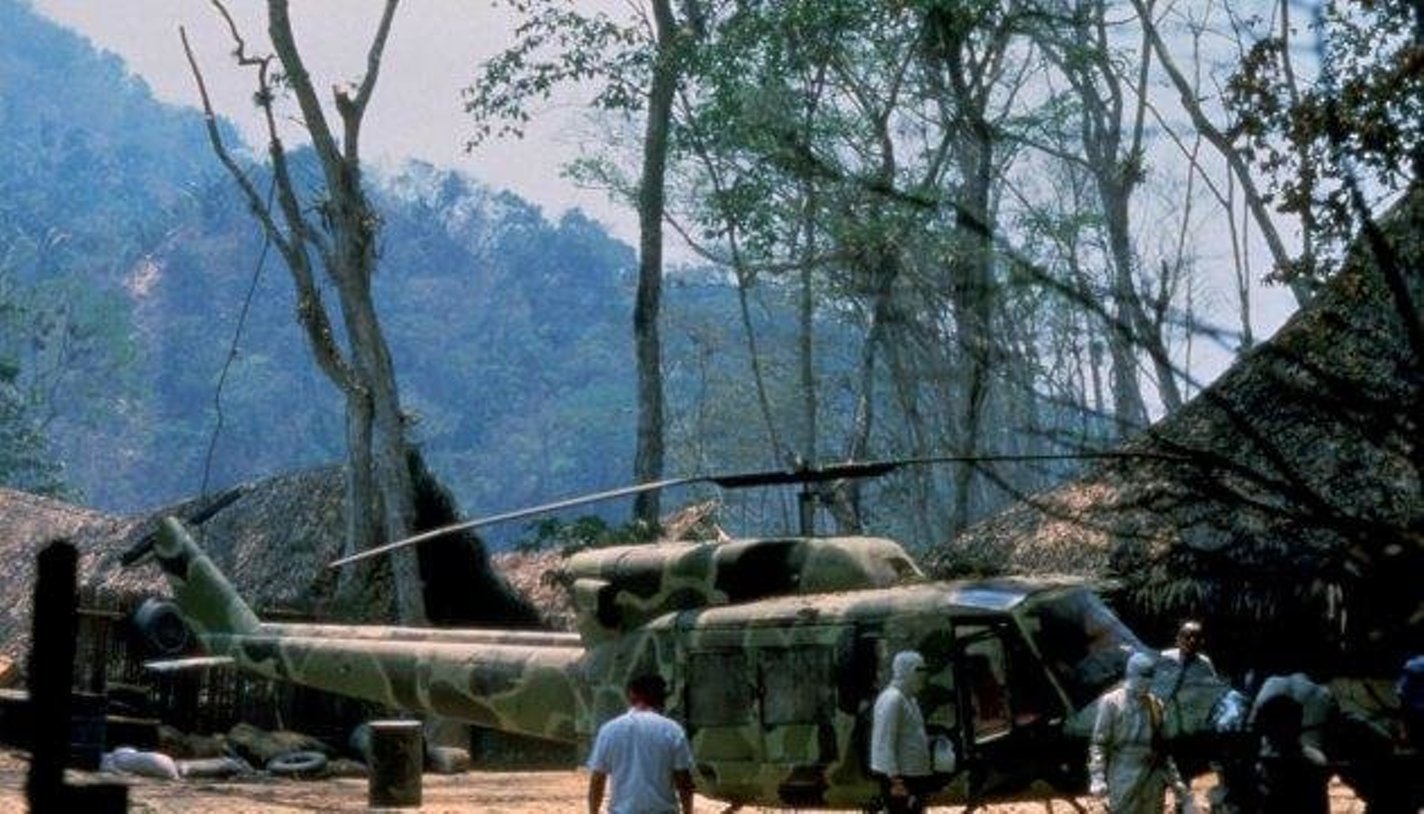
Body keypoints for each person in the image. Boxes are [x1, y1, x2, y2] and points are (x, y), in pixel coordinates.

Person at [1088, 651, 1193, 814]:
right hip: (1123, 775)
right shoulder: (1112, 703)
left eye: (1149, 678)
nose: (1146, 683)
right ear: (1130, 675)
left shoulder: (1156, 706)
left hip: (1152, 778)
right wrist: (1097, 778)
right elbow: (1099, 744)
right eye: (1142, 677)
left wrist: (1177, 783)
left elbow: (1164, 751)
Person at [586, 674, 694, 814]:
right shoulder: (673, 730)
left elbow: (597, 779)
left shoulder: (609, 730)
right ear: (661, 698)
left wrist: (593, 811)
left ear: (631, 695)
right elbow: (683, 781)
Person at [870, 650, 934, 814]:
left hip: (914, 776)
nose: (923, 676)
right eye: (919, 671)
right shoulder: (893, 699)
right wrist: (895, 780)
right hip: (902, 778)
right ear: (907, 671)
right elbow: (884, 743)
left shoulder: (910, 699)